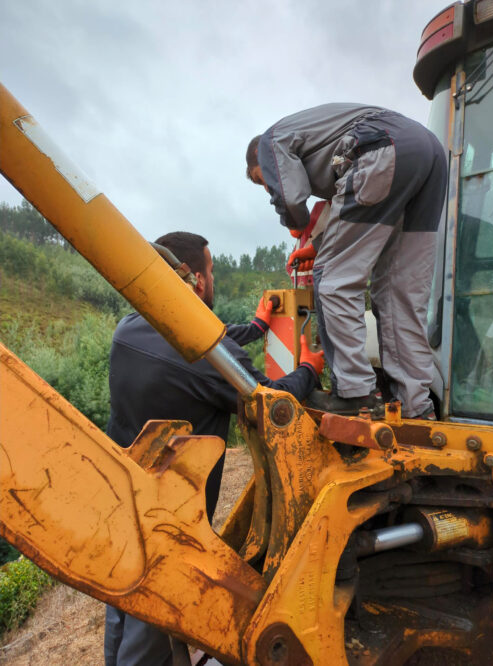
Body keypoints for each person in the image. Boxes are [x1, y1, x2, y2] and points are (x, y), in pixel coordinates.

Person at [104, 231, 323, 666]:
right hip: (170, 526)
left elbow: (211, 338)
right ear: (198, 282)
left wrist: (258, 327)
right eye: (212, 269)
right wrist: (309, 369)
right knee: (152, 630)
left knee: (122, 609)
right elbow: (271, 399)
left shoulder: (128, 327)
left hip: (122, 503)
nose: (213, 276)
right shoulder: (205, 358)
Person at [246, 103, 447, 419]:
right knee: (400, 293)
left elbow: (290, 198)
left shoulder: (271, 141)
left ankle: (355, 393)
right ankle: (415, 406)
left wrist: (294, 223)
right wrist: (318, 244)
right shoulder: (323, 141)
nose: (268, 185)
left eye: (263, 180)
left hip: (380, 150)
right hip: (429, 155)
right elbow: (347, 202)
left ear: (260, 160)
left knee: (334, 280)